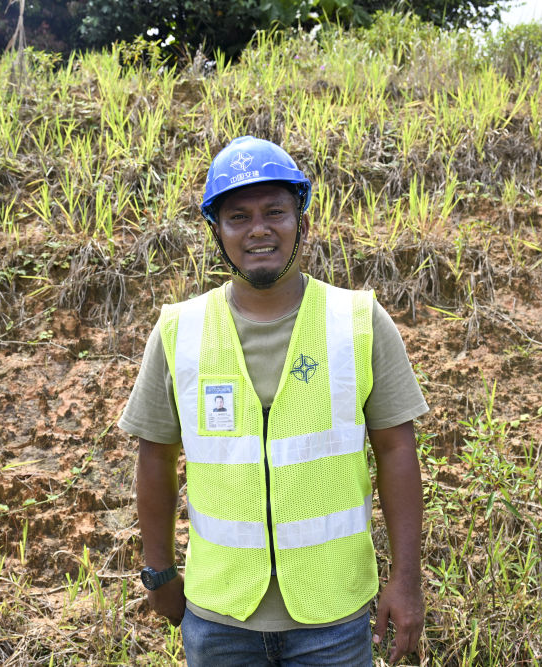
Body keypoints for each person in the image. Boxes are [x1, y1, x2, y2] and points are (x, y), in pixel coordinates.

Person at [118, 136, 428, 665]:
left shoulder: (358, 322)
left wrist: (406, 580)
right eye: (238, 217)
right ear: (217, 232)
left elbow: (397, 452)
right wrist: (160, 572)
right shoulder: (179, 331)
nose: (258, 229)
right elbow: (156, 458)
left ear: (302, 221)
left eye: (275, 212)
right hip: (220, 617)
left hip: (333, 617)